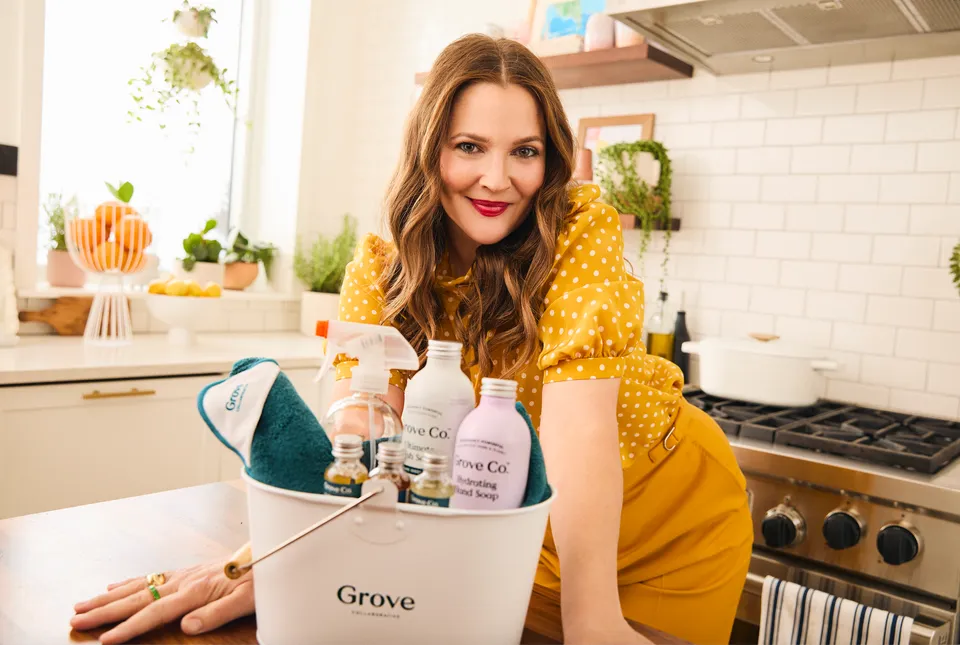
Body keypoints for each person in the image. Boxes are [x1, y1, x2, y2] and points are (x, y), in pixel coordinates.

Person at [71, 34, 752, 644]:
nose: (497, 177)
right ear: (430, 149)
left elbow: (578, 426)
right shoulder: (381, 268)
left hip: (666, 518)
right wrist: (274, 562)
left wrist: (592, 619)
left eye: (526, 151)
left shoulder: (579, 230)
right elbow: (363, 449)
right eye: (469, 147)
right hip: (506, 530)